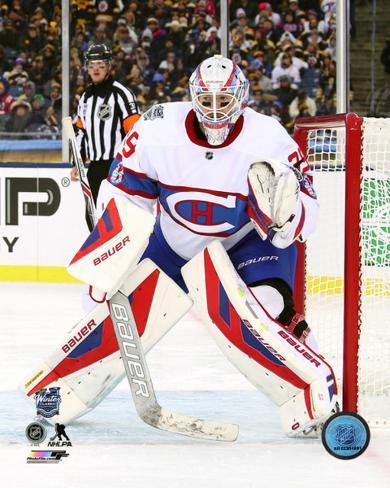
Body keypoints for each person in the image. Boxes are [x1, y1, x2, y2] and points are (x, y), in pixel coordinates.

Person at [93, 55, 336, 435]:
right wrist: (110, 251)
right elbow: (123, 194)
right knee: (106, 303)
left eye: (224, 102)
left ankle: (318, 395)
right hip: (171, 244)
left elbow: (309, 210)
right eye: (206, 101)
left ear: (240, 99)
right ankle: (72, 384)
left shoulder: (269, 136)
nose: (215, 110)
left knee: (269, 305)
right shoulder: (157, 127)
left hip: (244, 244)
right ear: (193, 97)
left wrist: (287, 216)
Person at [71, 43, 140, 230]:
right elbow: (80, 131)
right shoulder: (85, 97)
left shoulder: (121, 94)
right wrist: (77, 162)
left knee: (117, 215)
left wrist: (132, 164)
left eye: (100, 64)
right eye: (92, 64)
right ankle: (100, 256)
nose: (95, 69)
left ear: (109, 66)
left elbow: (136, 132)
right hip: (95, 167)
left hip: (117, 167)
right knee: (92, 215)